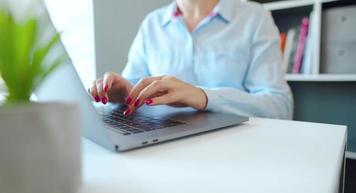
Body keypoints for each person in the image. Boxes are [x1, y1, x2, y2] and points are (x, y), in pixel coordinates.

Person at [89, 0, 293, 119]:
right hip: (161, 146)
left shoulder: (254, 18)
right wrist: (124, 94)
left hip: (233, 149)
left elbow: (280, 107)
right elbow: (131, 90)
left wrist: (203, 97)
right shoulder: (152, 24)